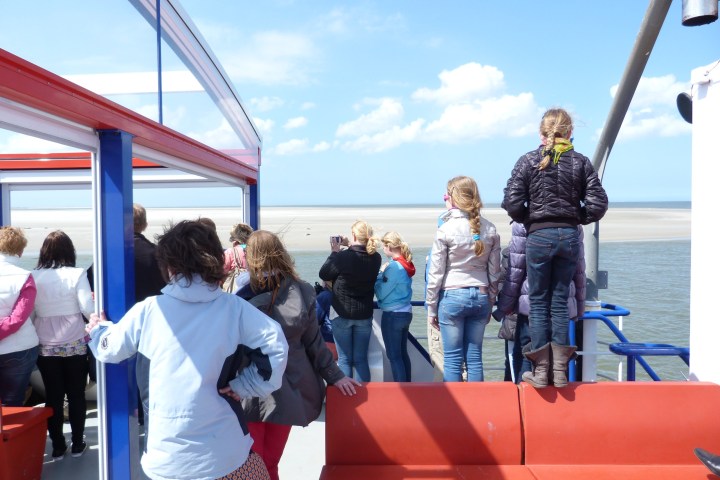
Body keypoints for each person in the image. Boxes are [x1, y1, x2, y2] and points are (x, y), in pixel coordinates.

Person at [85, 220, 288, 480]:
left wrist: (99, 330)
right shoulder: (234, 309)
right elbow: (275, 348)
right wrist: (244, 386)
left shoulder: (148, 311)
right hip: (226, 453)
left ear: (168, 266)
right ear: (216, 261)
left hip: (166, 460)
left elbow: (109, 349)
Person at [237, 230, 360, 480]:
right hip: (290, 388)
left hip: (246, 389)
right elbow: (314, 342)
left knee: (252, 462)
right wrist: (335, 376)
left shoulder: (239, 297)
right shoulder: (302, 292)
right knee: (270, 461)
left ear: (250, 258)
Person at [502, 107, 608, 388]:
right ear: (570, 133)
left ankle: (540, 373)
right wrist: (574, 219)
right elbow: (598, 204)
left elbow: (511, 203)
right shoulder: (581, 162)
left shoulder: (528, 160)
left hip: (539, 237)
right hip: (569, 237)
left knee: (538, 303)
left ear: (541, 134)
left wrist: (534, 220)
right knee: (560, 302)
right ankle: (560, 373)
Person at [426, 176, 501, 382]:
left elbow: (436, 274)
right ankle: (477, 407)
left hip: (452, 296)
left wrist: (431, 308)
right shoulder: (490, 229)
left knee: (452, 359)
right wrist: (491, 301)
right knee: (475, 358)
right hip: (481, 295)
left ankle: (455, 412)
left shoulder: (445, 229)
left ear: (453, 197)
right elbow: (495, 273)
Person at [493, 222, 586, 385]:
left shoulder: (524, 224)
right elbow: (579, 271)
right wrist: (579, 307)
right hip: (562, 308)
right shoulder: (573, 225)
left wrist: (504, 306)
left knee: (525, 356)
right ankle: (556, 401)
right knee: (557, 364)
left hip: (531, 306)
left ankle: (528, 401)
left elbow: (515, 270)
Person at [32, 230, 94, 459]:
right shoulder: (77, 274)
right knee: (76, 394)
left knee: (53, 396)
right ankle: (78, 443)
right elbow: (87, 307)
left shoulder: (33, 275)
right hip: (74, 342)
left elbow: (31, 313)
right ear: (70, 250)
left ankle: (58, 446)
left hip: (45, 345)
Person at [319, 220, 381, 382]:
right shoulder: (376, 258)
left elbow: (324, 274)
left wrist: (334, 252)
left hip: (341, 313)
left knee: (345, 360)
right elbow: (361, 256)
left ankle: (349, 401)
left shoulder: (342, 257)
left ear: (353, 235)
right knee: (361, 360)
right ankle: (364, 397)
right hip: (364, 314)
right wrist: (350, 245)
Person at [0, 226, 40, 406]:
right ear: (21, 251)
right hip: (20, 347)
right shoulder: (25, 277)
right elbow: (18, 318)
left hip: (18, 347)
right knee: (13, 401)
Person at [374, 231, 415, 382]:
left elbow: (382, 293)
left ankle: (402, 390)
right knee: (402, 354)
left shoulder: (394, 267)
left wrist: (379, 274)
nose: (382, 250)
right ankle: (408, 386)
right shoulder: (406, 265)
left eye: (383, 246)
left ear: (389, 246)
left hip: (393, 314)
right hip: (405, 312)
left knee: (394, 356)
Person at [222, 222, 253, 293]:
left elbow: (222, 271)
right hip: (253, 290)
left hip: (236, 291)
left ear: (234, 239)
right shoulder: (255, 250)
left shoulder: (230, 252)